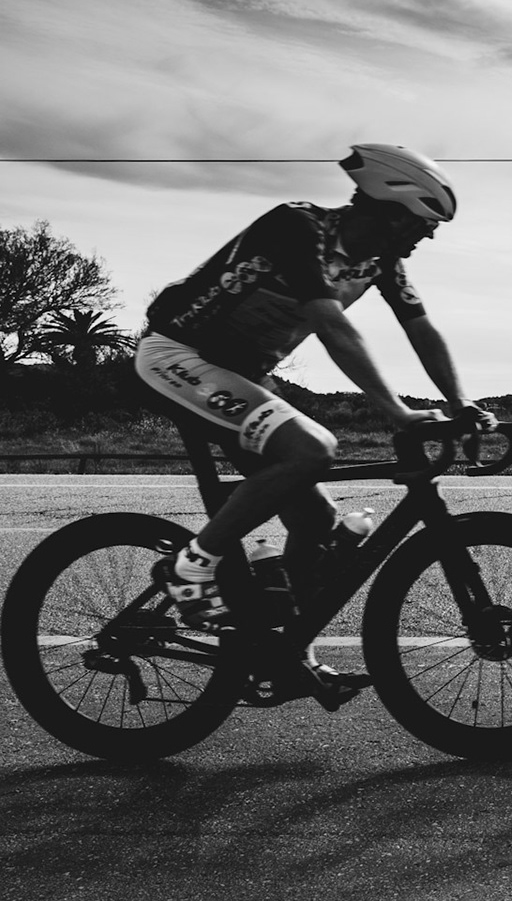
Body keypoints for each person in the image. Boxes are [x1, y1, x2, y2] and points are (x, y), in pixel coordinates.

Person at [136, 143, 492, 710]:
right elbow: (330, 325)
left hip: (240, 373)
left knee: (318, 522)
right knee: (312, 449)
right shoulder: (297, 227)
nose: (426, 239)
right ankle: (190, 567)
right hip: (178, 355)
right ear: (388, 207)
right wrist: (396, 411)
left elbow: (421, 330)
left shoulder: (379, 263)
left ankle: (286, 653)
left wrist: (461, 404)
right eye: (423, 225)